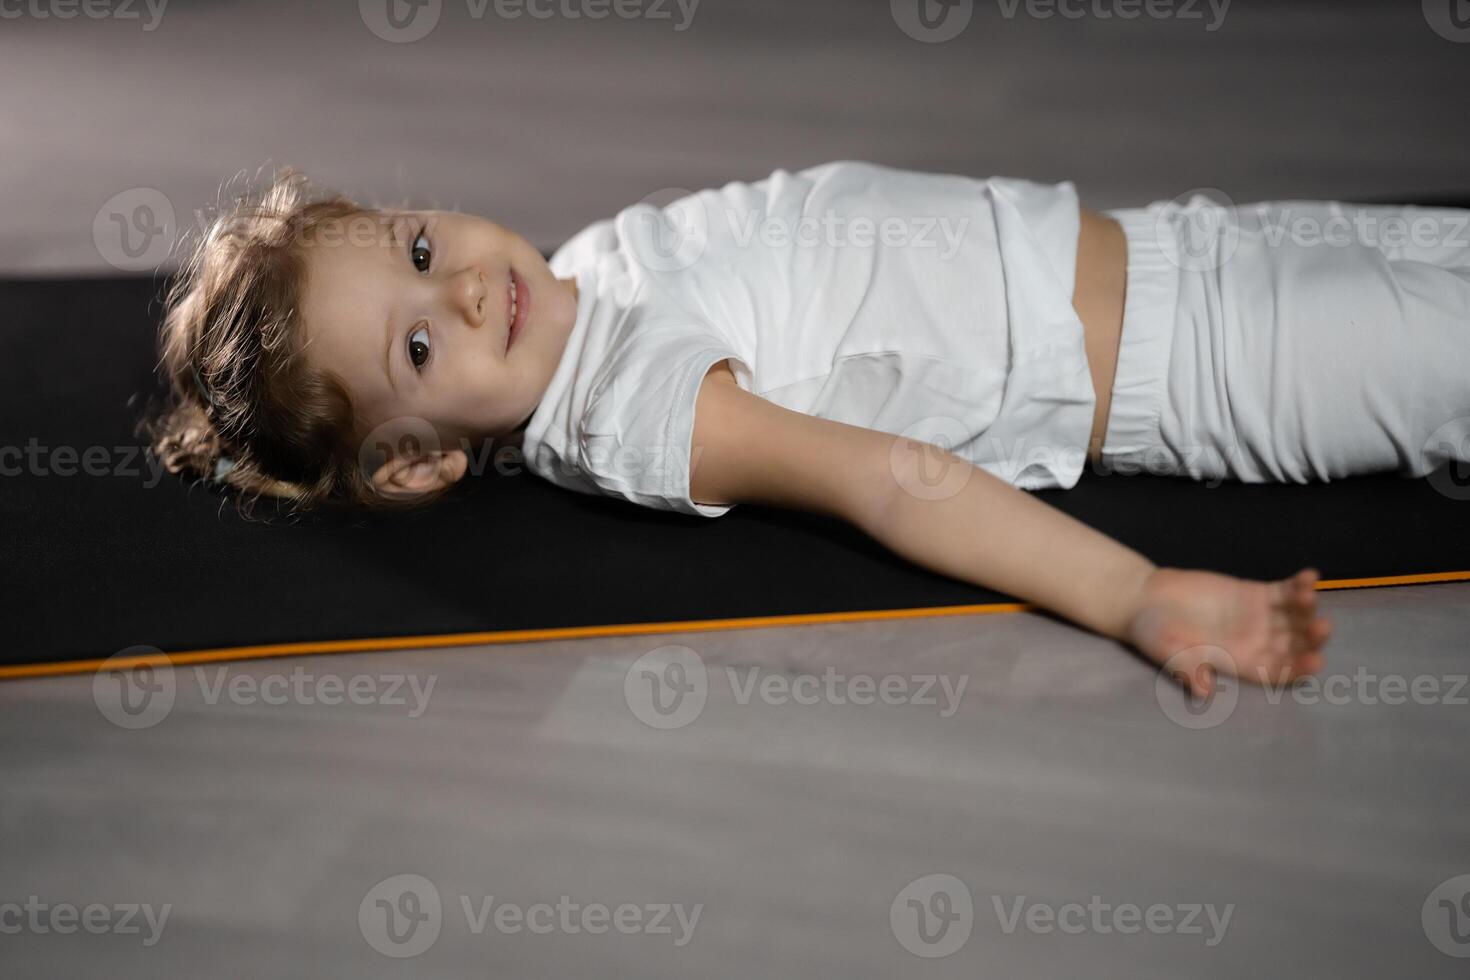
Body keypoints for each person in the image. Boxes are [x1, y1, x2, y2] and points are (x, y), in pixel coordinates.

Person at [152, 161, 1469, 695]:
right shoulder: (631, 404)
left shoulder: (588, 274)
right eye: (420, 344)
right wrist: (1131, 593)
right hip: (1222, 364)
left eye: (420, 247)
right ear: (429, 456)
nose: (460, 285)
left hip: (1195, 246)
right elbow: (888, 482)